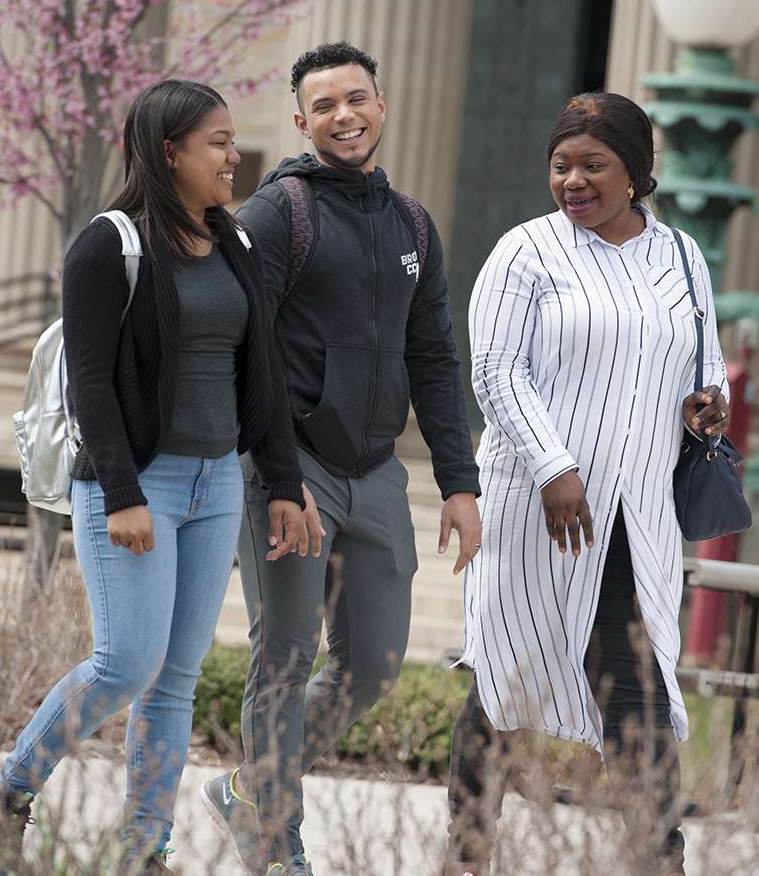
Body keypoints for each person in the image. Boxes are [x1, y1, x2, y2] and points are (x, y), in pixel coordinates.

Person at [0, 79, 307, 875]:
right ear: (169, 151)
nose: (232, 156)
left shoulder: (236, 245)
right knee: (127, 663)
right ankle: (8, 789)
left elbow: (262, 376)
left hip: (216, 482)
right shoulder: (106, 244)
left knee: (174, 681)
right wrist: (120, 492)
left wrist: (282, 479)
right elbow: (90, 381)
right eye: (218, 142)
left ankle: (142, 850)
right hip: (136, 483)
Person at [201, 42, 483, 876]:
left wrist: (459, 485)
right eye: (324, 106)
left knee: (374, 665)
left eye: (355, 99)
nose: (344, 116)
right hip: (292, 470)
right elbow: (244, 354)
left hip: (377, 474)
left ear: (382, 104)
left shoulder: (413, 224)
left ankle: (252, 787)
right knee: (285, 657)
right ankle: (276, 843)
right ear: (302, 121)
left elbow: (434, 357)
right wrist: (282, 480)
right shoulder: (276, 214)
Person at [446, 92, 731, 876]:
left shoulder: (680, 255)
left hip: (637, 515)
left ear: (635, 173)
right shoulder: (525, 251)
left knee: (640, 680)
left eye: (593, 165)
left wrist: (710, 405)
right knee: (504, 677)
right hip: (540, 513)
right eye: (561, 165)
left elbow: (701, 361)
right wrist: (554, 466)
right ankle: (468, 851)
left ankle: (657, 856)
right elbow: (496, 373)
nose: (572, 180)